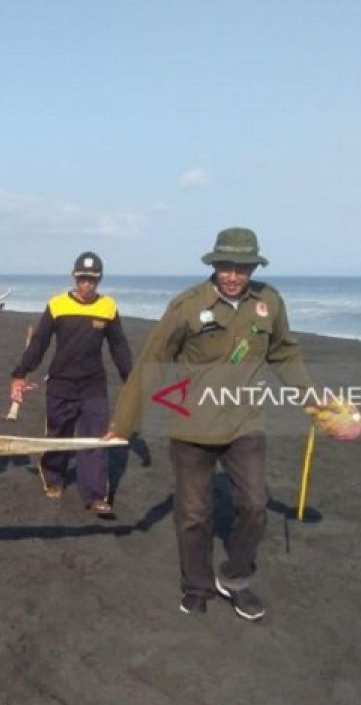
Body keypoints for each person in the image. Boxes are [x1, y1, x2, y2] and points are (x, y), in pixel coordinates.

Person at [105, 227, 314, 621]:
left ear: (254, 267)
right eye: (225, 266)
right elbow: (152, 362)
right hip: (191, 425)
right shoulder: (187, 305)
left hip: (244, 422)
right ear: (214, 265)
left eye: (242, 267)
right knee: (194, 514)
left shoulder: (269, 302)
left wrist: (312, 399)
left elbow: (285, 353)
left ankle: (234, 578)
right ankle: (196, 584)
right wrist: (124, 423)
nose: (233, 275)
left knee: (254, 505)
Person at [10, 251, 132, 516]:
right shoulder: (57, 305)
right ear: (74, 277)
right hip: (61, 383)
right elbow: (40, 342)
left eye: (93, 280)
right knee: (58, 435)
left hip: (93, 385)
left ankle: (96, 496)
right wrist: (21, 372)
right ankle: (53, 477)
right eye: (83, 279)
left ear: (99, 280)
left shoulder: (108, 307)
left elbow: (119, 346)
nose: (87, 284)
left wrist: (129, 379)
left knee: (94, 440)